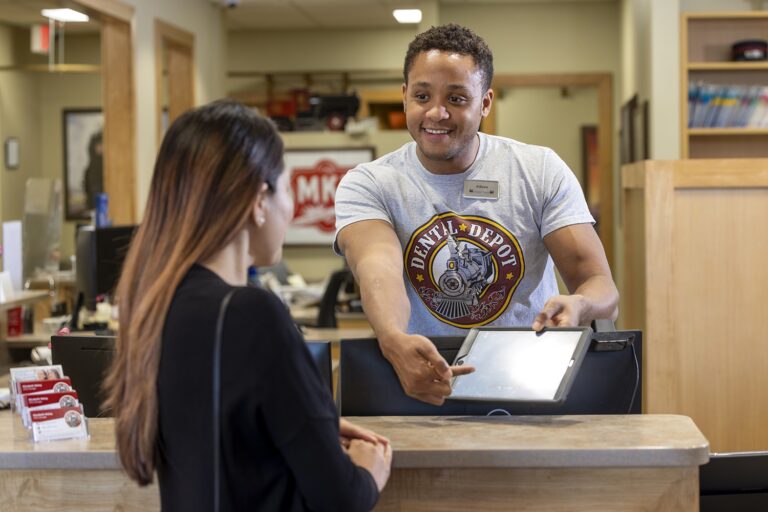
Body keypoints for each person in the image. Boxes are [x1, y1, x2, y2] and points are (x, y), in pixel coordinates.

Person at [105, 100, 391, 511]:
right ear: (259, 200)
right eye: (288, 187)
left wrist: (312, 426)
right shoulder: (250, 313)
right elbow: (342, 497)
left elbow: (224, 433)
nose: (290, 207)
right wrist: (369, 470)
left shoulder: (154, 301)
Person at [334, 24, 619, 406]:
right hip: (422, 370)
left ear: (485, 104)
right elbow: (377, 266)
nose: (437, 112)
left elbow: (600, 284)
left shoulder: (539, 170)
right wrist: (392, 337)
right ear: (404, 97)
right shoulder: (369, 182)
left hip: (529, 375)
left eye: (456, 98)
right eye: (422, 96)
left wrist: (580, 305)